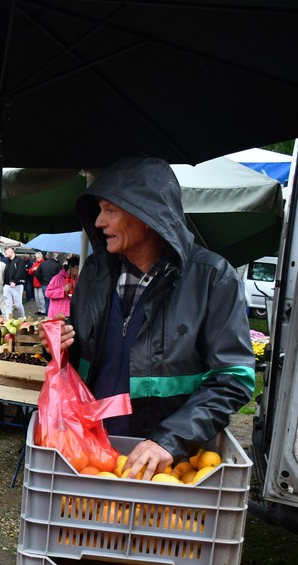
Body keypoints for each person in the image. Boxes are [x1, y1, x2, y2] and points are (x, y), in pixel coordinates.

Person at [56, 157, 254, 481]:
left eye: (110, 210)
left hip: (165, 461)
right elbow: (87, 360)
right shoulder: (95, 273)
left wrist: (168, 441)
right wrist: (60, 348)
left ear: (147, 216)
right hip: (91, 451)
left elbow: (234, 377)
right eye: (99, 210)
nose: (99, 222)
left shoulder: (213, 278)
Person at [1, 247, 27, 319]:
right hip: (7, 285)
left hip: (17, 285)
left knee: (18, 303)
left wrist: (15, 281)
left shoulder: (19, 261)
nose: (5, 255)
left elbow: (20, 271)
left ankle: (23, 316)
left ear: (10, 252)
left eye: (6, 253)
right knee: (8, 304)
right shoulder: (8, 261)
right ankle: (8, 319)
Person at [36, 251, 63, 316]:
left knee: (47, 301)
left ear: (47, 256)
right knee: (55, 302)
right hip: (55, 286)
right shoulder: (58, 264)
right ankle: (54, 316)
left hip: (45, 284)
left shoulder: (43, 264)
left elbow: (37, 273)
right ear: (54, 256)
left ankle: (48, 316)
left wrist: (41, 281)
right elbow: (61, 275)